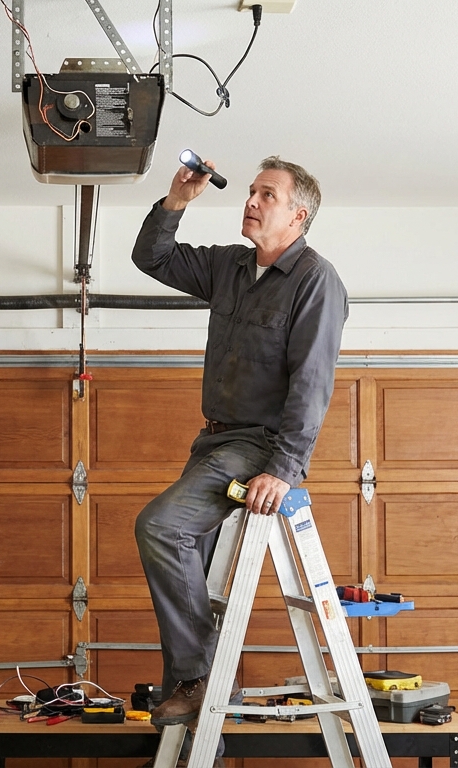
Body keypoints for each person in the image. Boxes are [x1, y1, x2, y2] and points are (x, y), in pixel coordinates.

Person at [132, 155, 349, 727]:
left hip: (257, 448)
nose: (250, 202)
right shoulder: (229, 267)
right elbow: (150, 257)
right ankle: (196, 730)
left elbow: (312, 382)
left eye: (266, 195)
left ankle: (198, 677)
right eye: (250, 191)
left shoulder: (316, 281)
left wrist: (286, 468)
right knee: (189, 580)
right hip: (212, 444)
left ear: (298, 214)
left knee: (160, 525)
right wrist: (177, 200)